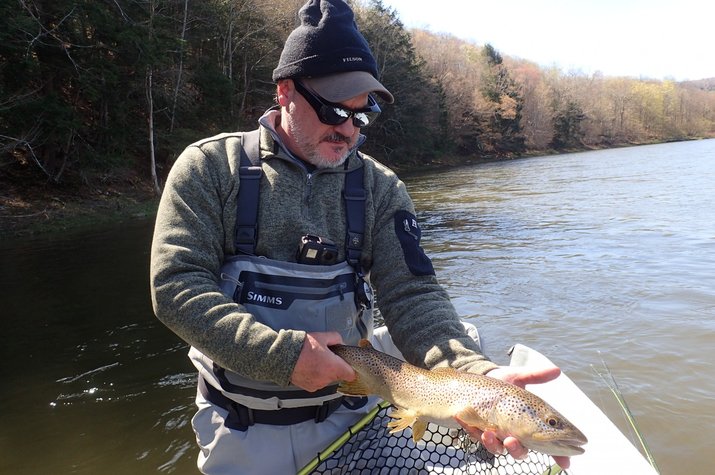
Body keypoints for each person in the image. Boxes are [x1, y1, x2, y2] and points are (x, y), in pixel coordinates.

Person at [150, 0, 568, 473]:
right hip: (243, 428)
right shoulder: (210, 169)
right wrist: (284, 357)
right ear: (285, 91)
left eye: (362, 114)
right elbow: (176, 288)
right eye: (333, 110)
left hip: (354, 416)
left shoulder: (381, 188)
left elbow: (412, 295)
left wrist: (477, 376)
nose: (348, 129)